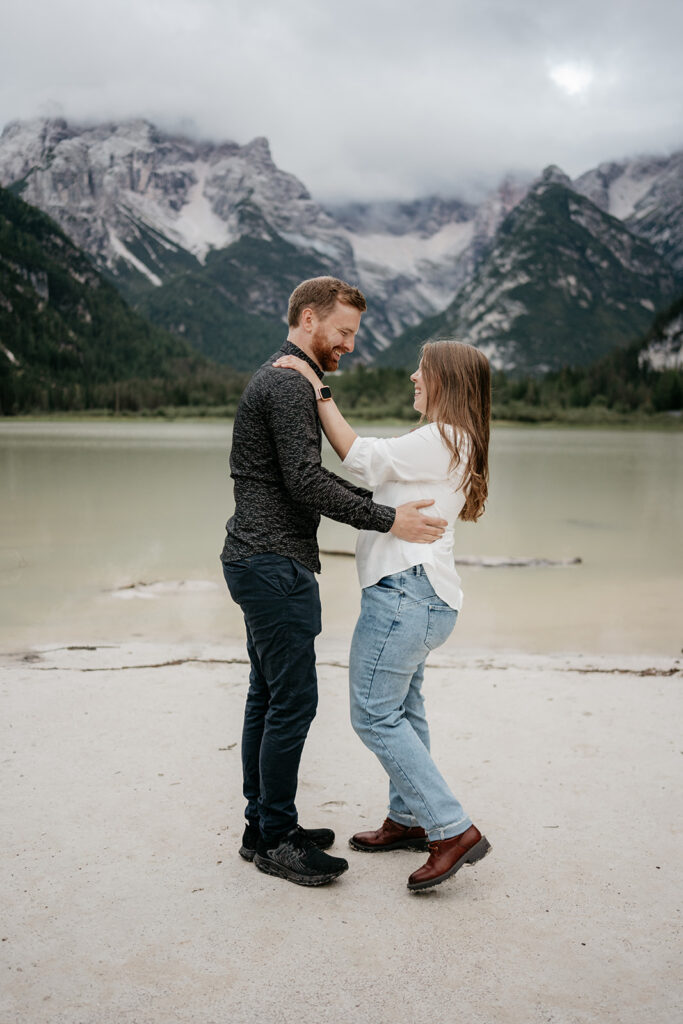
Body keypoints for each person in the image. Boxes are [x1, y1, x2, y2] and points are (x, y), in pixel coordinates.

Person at [220, 276, 448, 888]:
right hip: (273, 562)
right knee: (291, 701)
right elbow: (304, 481)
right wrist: (388, 517)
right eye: (343, 331)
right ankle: (276, 838)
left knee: (267, 695)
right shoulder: (288, 383)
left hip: (258, 558)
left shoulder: (287, 378)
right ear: (309, 319)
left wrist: (376, 504)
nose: (349, 344)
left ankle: (262, 826)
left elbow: (303, 477)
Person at [272, 338, 492, 892]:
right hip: (425, 597)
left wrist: (316, 388)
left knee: (373, 713)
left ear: (446, 381)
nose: (414, 378)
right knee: (405, 711)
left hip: (404, 594)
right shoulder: (452, 440)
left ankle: (452, 829)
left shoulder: (443, 436)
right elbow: (372, 477)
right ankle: (409, 818)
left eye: (422, 371)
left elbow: (360, 457)